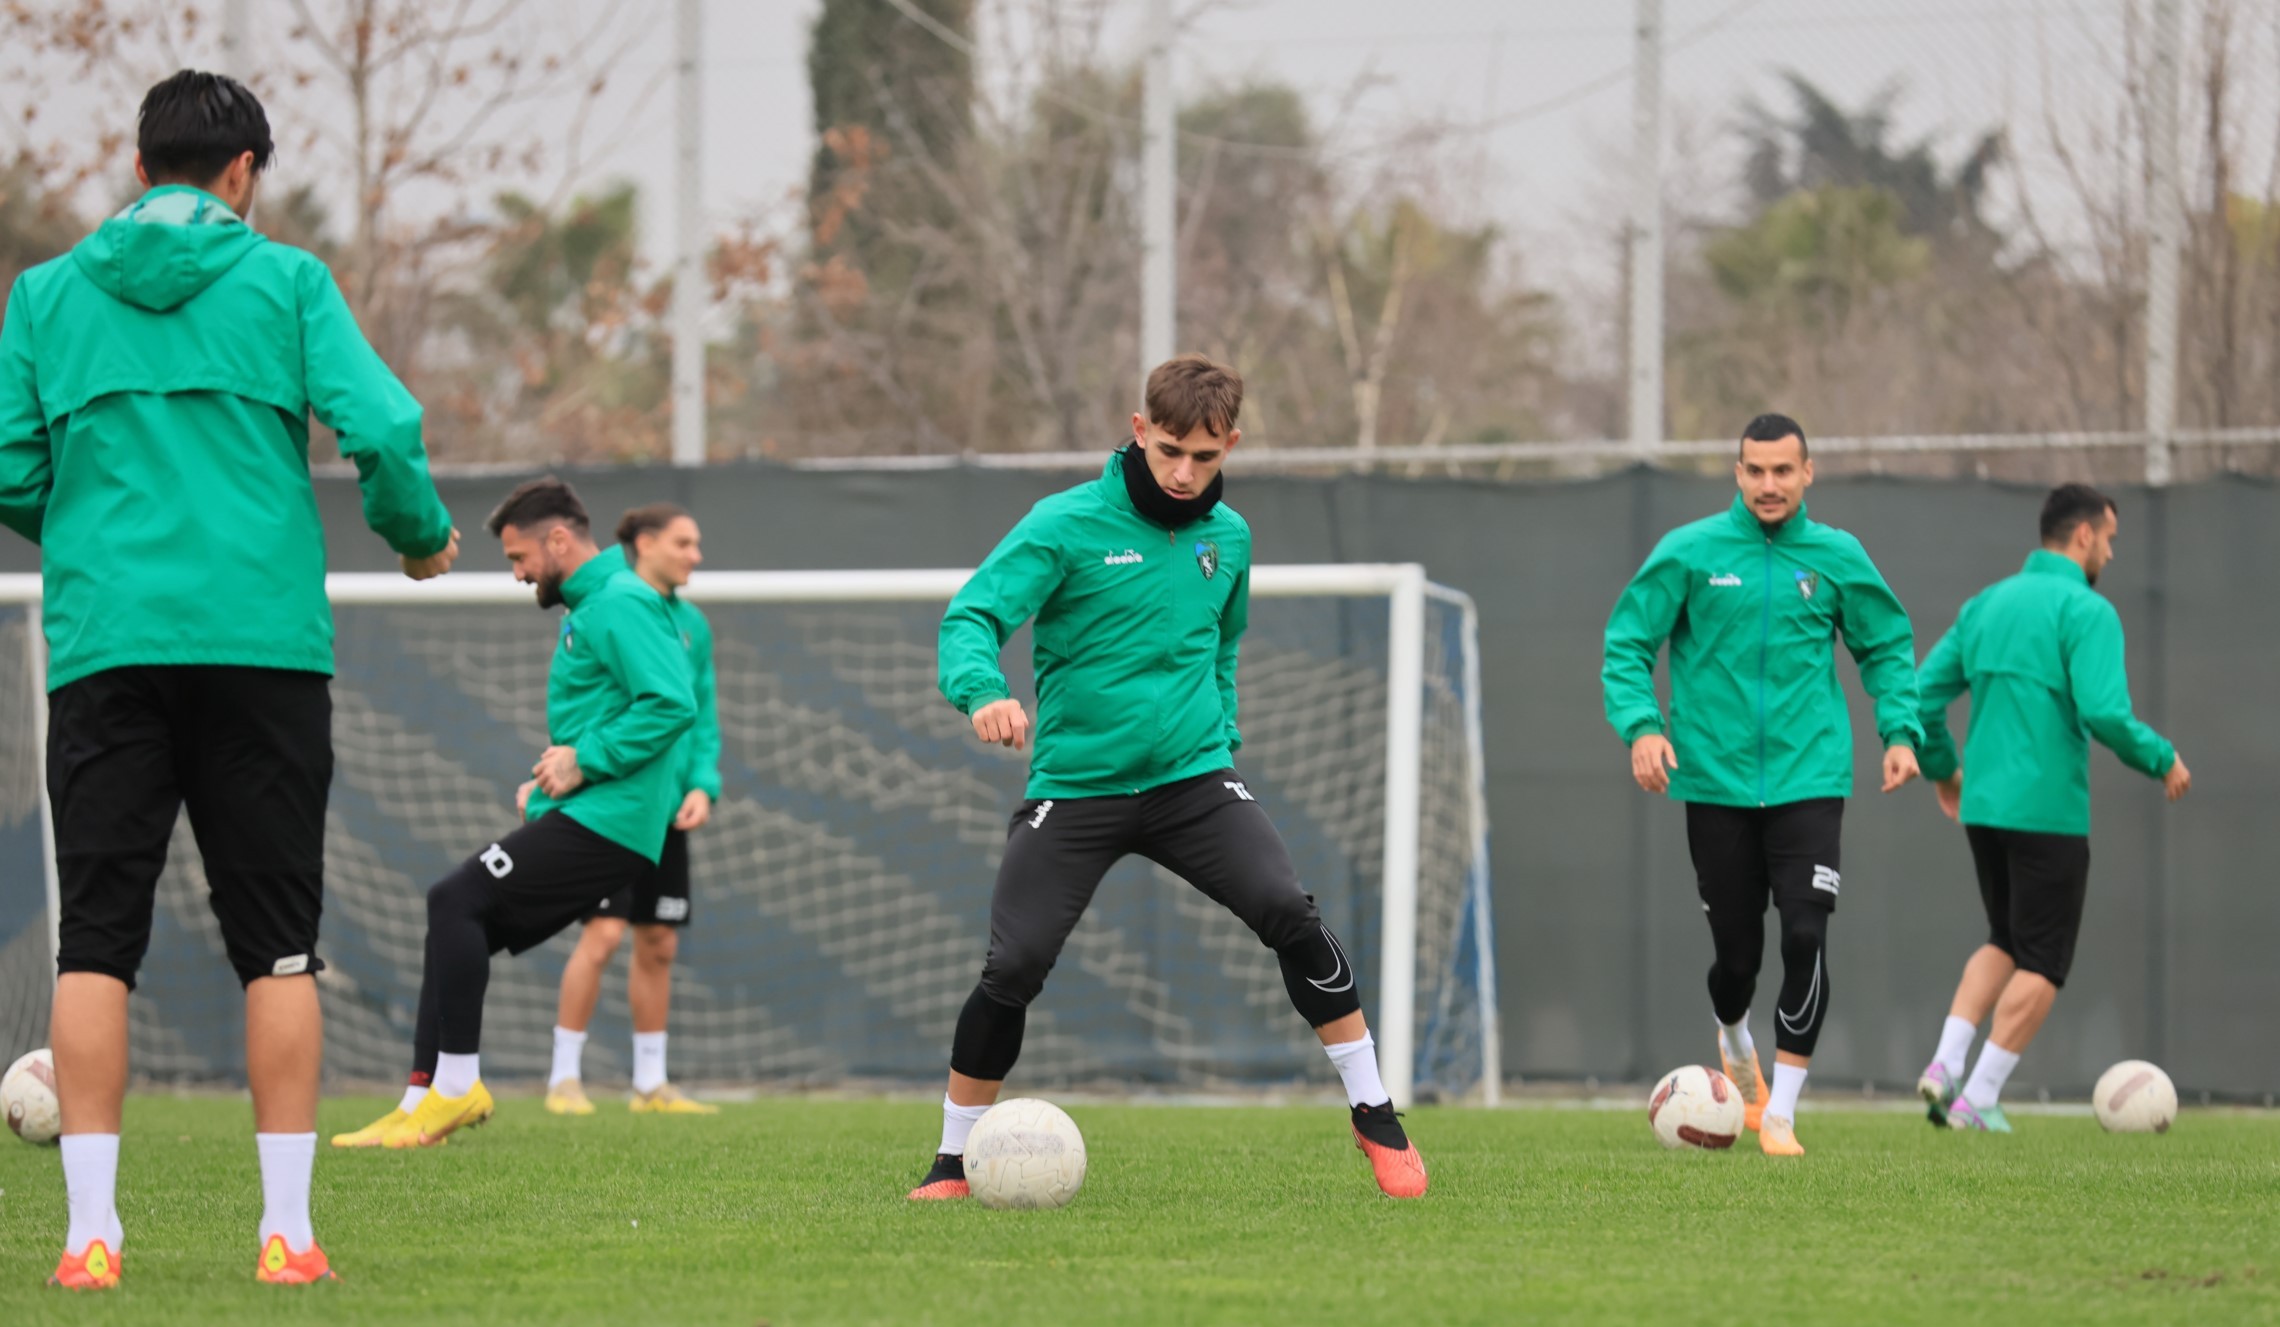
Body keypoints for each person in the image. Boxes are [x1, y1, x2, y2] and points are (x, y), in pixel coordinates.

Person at [0, 71, 459, 1289]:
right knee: (280, 949)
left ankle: (90, 1239)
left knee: (94, 946)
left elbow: (6, 469)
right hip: (262, 649)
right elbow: (388, 432)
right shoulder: (287, 281)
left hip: (107, 646)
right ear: (245, 171)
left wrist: (105, 534)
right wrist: (415, 536)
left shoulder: (43, 295)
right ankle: (287, 1235)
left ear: (140, 161)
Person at [907, 354, 1427, 1202]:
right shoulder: (1064, 524)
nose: (1187, 474)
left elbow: (1221, 647)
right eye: (1172, 451)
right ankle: (951, 1163)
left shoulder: (1231, 538)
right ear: (1140, 430)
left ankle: (1373, 1111)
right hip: (1077, 787)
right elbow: (973, 615)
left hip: (1194, 782)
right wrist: (984, 693)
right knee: (1015, 965)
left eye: (1207, 457)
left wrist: (1219, 732)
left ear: (1231, 445)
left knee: (1290, 913)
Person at [332, 478, 693, 1151]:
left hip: (615, 821)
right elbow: (613, 712)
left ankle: (458, 1085)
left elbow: (671, 703)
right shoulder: (594, 605)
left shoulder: (621, 600)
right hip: (594, 810)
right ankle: (420, 1101)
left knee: (454, 898)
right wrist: (557, 784)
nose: (518, 572)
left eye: (519, 556)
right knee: (453, 921)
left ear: (559, 539)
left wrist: (583, 761)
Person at [1601, 413, 1922, 1157]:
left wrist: (1901, 732)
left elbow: (1887, 646)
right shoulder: (1690, 552)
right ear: (1737, 473)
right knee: (1737, 957)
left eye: (1784, 470)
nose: (1769, 484)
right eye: (1756, 470)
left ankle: (1781, 1112)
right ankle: (1733, 1033)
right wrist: (1643, 727)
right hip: (1713, 783)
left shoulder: (1837, 557)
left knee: (1806, 933)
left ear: (1809, 472)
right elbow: (1627, 643)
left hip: (1811, 778)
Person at [1912, 484, 2191, 1132]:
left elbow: (1921, 696)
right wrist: (2162, 756)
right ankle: (1976, 1097)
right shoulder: (2086, 610)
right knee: (2042, 961)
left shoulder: (1986, 604)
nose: (2113, 553)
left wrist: (1944, 770)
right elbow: (2103, 711)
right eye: (2111, 538)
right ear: (2085, 535)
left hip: (1983, 807)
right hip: (2048, 814)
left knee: (2004, 940)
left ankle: (1943, 1065)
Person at [544, 503, 721, 1116]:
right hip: (611, 805)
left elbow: (701, 713)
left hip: (665, 810)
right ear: (644, 544)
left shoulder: (693, 624)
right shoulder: (613, 606)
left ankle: (651, 1084)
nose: (695, 555)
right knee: (602, 933)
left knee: (659, 942)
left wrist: (702, 783)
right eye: (684, 542)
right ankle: (564, 1078)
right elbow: (587, 711)